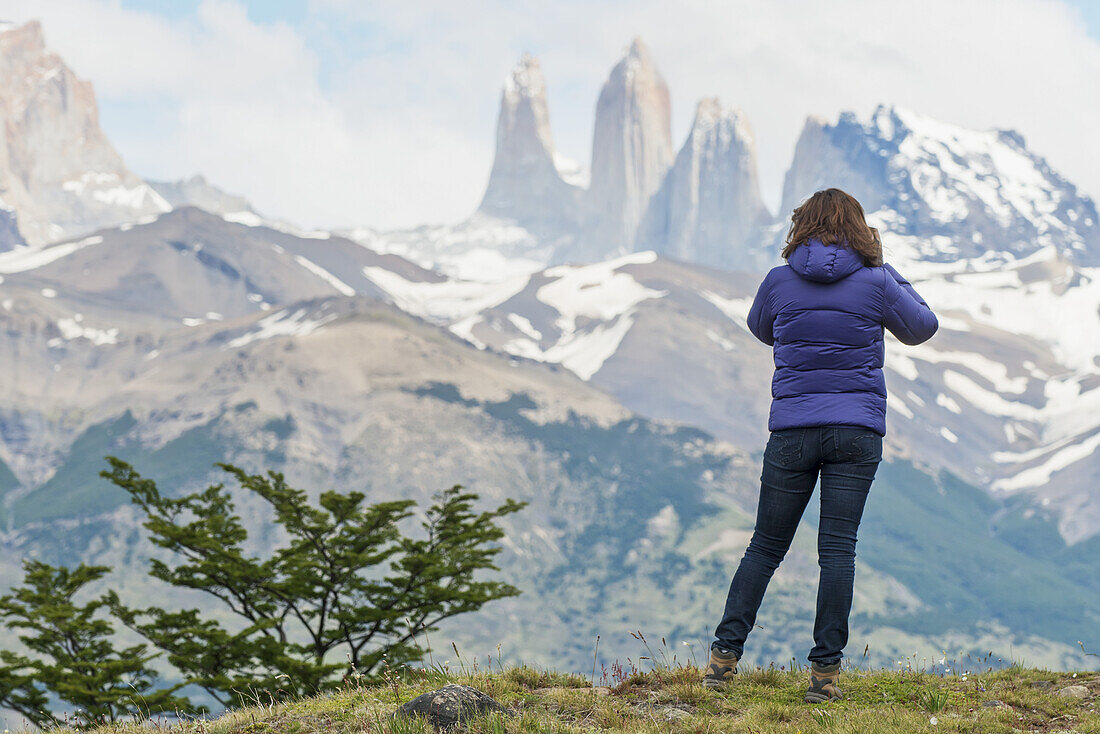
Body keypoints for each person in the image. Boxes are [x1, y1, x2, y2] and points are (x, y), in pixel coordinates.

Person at [703, 188, 938, 703]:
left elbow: (761, 329)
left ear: (800, 227)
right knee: (837, 550)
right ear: (860, 230)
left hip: (792, 430)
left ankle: (722, 662)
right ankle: (824, 678)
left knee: (765, 546)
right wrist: (885, 270)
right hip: (856, 431)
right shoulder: (876, 281)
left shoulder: (778, 280)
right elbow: (923, 327)